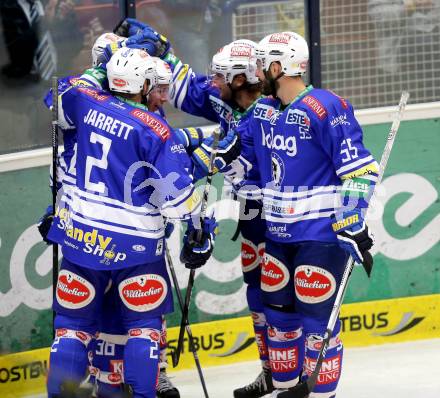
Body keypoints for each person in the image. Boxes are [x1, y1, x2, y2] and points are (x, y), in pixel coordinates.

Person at [42, 47, 217, 398]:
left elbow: (56, 98)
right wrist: (201, 228)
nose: (160, 92)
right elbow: (179, 200)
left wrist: (103, 65)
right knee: (143, 329)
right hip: (135, 249)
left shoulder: (85, 102)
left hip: (79, 240)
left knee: (71, 330)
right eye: (154, 84)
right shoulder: (155, 128)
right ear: (141, 84)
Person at [220, 31, 377, 397]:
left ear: (278, 65)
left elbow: (358, 169)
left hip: (319, 238)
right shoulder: (262, 113)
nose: (258, 73)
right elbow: (254, 176)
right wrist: (231, 165)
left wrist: (352, 219)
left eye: (263, 65)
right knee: (279, 322)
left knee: (317, 325)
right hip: (277, 237)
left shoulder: (325, 106)